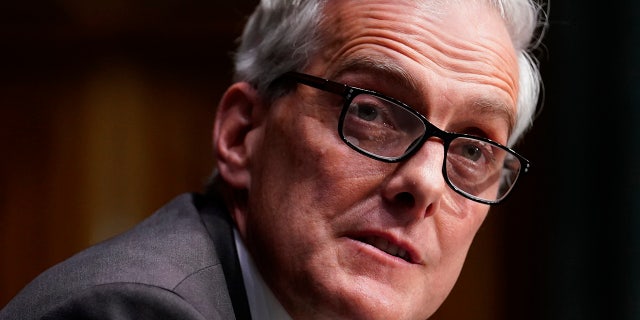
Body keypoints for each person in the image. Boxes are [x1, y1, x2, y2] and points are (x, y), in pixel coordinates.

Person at [1, 0, 546, 319]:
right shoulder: (136, 312)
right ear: (243, 134)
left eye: (473, 148)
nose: (425, 183)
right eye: (374, 113)